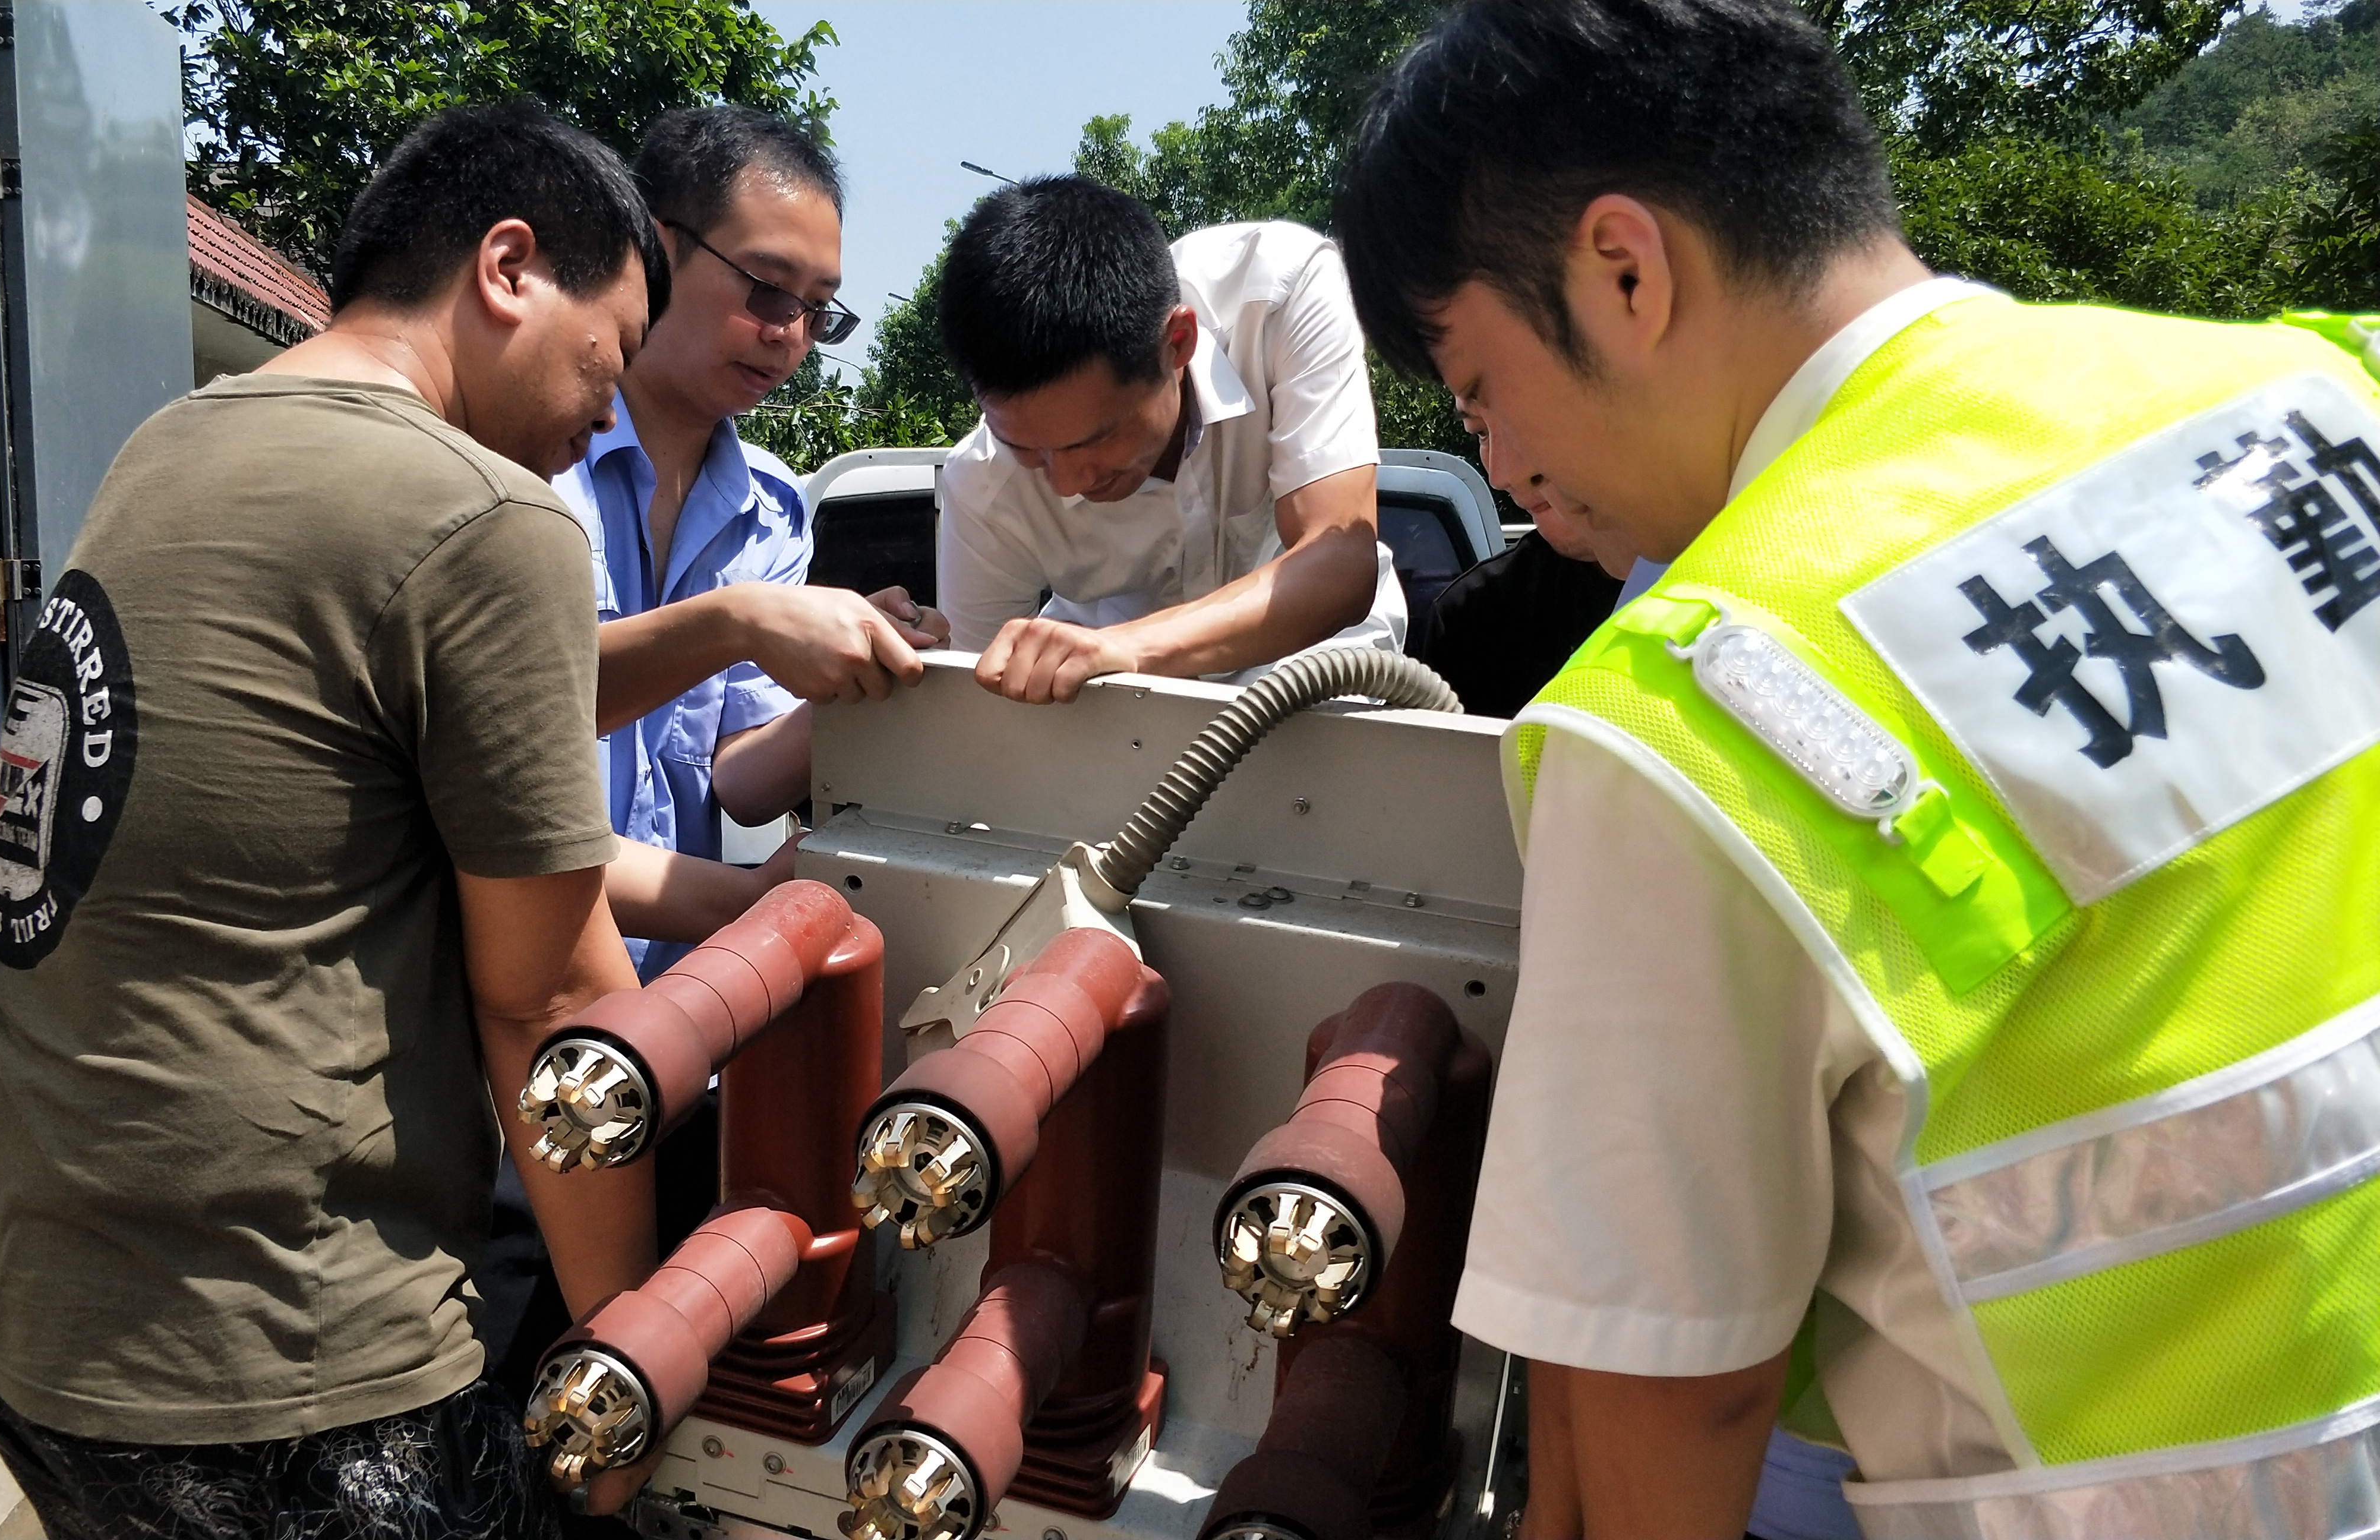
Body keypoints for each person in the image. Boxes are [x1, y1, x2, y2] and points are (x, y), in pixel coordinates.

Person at [1338, 2, 2380, 1537]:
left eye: (1481, 389)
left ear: (1624, 271)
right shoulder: (2319, 388)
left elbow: (1663, 1422)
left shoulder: (1694, 714)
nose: (1501, 466)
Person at [0, 100, 666, 1534]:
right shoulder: (489, 517)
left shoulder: (175, 442)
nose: (610, 413)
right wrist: (633, 1361)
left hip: (30, 1311)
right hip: (275, 1364)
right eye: (615, 351)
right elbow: (553, 1009)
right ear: (509, 268)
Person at [557, 105, 940, 977]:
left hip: (681, 995)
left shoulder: (772, 505)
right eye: (766, 289)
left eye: (819, 311)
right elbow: (510, 738)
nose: (789, 334)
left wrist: (857, 670)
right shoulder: (532, 464)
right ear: (656, 251)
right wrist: (742, 621)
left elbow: (740, 780)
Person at [932, 176, 1407, 703]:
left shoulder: (1280, 291)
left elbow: (1338, 559)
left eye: (1093, 440)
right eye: (1025, 449)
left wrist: (1126, 647)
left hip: (1323, 669)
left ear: (1178, 342)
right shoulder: (982, 486)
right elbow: (982, 708)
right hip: (1113, 712)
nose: (1066, 483)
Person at [1407, 414, 1630, 715]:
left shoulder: (1697, 577)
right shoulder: (1473, 618)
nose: (1500, 475)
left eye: (1525, 420)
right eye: (1481, 433)